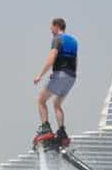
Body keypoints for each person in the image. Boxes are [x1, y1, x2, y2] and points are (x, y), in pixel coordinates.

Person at [33, 17, 78, 145]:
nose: (50, 30)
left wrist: (40, 76)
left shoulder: (57, 39)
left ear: (57, 26)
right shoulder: (74, 41)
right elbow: (76, 60)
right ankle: (62, 133)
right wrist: (72, 76)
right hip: (71, 76)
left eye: (51, 27)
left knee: (41, 100)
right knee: (57, 104)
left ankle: (46, 129)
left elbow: (51, 59)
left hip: (61, 75)